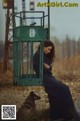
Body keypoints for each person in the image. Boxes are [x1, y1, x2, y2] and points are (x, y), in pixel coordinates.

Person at [33, 40, 80, 121]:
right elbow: (40, 68)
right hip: (44, 77)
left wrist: (47, 67)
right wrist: (46, 67)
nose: (49, 51)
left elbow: (49, 67)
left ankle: (59, 116)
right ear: (43, 47)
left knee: (58, 92)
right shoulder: (38, 55)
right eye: (48, 49)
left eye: (50, 49)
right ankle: (71, 113)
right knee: (64, 89)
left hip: (48, 77)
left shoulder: (43, 55)